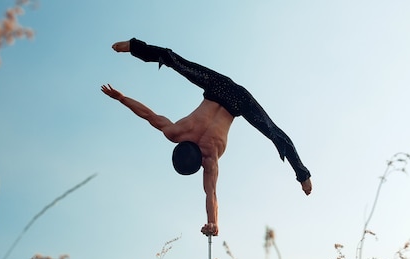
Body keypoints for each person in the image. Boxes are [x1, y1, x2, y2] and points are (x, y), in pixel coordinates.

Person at [101, 38, 312, 236]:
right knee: (174, 60)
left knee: (273, 131)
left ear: (199, 163)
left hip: (240, 101)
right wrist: (121, 98)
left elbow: (210, 194)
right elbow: (148, 115)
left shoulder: (210, 157)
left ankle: (304, 177)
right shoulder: (176, 132)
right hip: (218, 85)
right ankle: (134, 46)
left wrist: (214, 223)